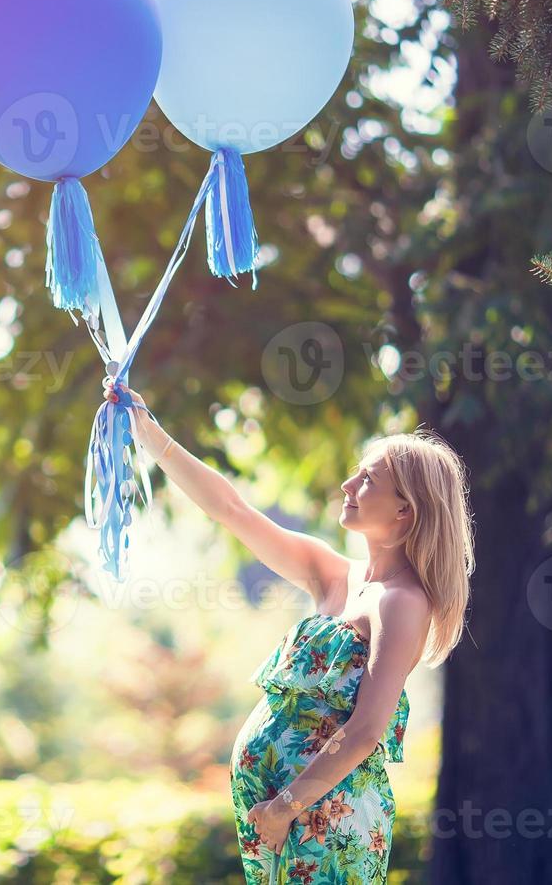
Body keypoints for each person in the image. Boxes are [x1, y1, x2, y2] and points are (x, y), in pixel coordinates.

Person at [104, 376, 475, 884]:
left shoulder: (402, 603)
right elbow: (231, 510)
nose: (347, 486)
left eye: (366, 480)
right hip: (281, 816)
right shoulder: (334, 573)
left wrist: (284, 807)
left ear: (405, 508)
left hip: (324, 819)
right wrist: (148, 432)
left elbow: (367, 730)